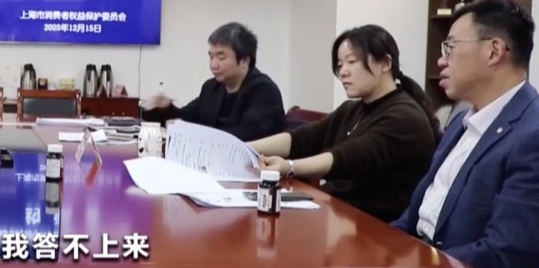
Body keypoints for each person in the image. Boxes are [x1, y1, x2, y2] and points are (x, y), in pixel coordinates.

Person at [391, 0, 539, 268]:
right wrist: (380, 247)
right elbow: (415, 217)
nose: (440, 60)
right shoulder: (460, 122)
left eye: (450, 47)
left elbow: (506, 253)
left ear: (494, 52)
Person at [248, 25, 441, 222]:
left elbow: (347, 157)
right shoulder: (352, 109)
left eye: (351, 62)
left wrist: (288, 167)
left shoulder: (404, 117)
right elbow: (301, 139)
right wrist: (244, 148)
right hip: (339, 215)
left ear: (385, 63)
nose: (343, 72)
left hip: (376, 226)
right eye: (340, 65)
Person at [139, 22, 284, 141]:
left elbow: (247, 135)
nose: (214, 65)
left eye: (221, 57)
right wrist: (165, 108)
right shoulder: (211, 87)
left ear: (244, 61)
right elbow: (187, 115)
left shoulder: (264, 91)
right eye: (211, 57)